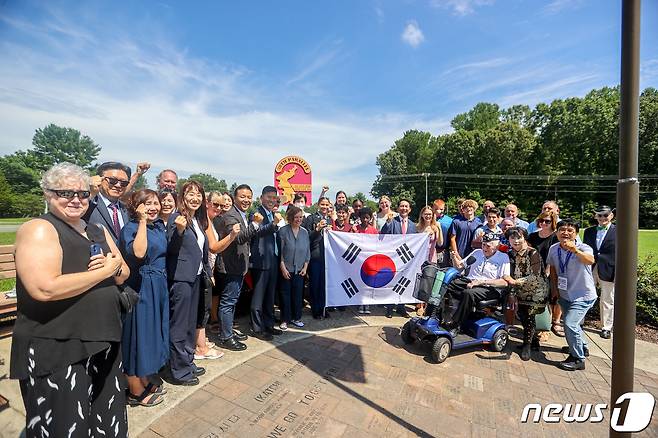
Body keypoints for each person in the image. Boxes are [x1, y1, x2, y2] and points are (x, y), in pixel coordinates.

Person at [11, 162, 130, 437]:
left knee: (105, 421)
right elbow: (44, 289)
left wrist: (111, 267)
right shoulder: (40, 228)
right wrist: (105, 271)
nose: (76, 199)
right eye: (65, 192)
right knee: (64, 426)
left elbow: (124, 272)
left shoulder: (95, 229)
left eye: (83, 193)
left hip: (102, 341)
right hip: (60, 346)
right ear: (48, 194)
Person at [119, 189, 169, 406]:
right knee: (137, 336)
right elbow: (138, 253)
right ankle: (135, 389)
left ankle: (144, 376)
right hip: (142, 286)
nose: (153, 207)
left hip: (158, 285)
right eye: (147, 203)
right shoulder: (130, 228)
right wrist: (140, 221)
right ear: (136, 206)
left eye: (155, 202)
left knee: (150, 336)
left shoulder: (157, 226)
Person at [165, 181, 212, 385]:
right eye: (191, 194)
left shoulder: (197, 221)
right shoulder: (177, 218)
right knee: (179, 326)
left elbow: (202, 252)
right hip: (181, 279)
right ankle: (179, 371)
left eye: (199, 194)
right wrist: (180, 231)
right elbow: (172, 249)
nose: (195, 198)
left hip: (195, 278)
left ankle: (188, 361)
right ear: (182, 197)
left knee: (190, 325)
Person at [214, 184, 264, 350]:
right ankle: (226, 337)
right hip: (230, 266)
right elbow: (238, 238)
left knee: (232, 301)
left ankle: (228, 330)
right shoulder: (230, 216)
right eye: (242, 196)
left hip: (239, 266)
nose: (246, 200)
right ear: (235, 198)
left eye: (249, 197)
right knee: (228, 302)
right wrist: (255, 225)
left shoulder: (242, 214)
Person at [547, 218, 597, 371]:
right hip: (564, 294)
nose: (566, 233)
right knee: (573, 324)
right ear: (557, 232)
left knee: (570, 324)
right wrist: (555, 289)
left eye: (570, 231)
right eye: (562, 230)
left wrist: (574, 250)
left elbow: (590, 260)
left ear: (576, 234)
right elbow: (554, 268)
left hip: (583, 295)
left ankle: (578, 359)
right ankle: (582, 347)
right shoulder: (554, 248)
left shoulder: (584, 247)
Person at [444, 232, 510, 334]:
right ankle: (439, 315)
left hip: (489, 287)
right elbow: (460, 267)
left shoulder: (503, 257)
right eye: (483, 244)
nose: (484, 248)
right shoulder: (477, 252)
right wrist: (454, 258)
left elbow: (504, 282)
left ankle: (456, 324)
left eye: (488, 246)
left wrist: (482, 282)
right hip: (470, 281)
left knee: (468, 293)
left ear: (496, 246)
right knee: (446, 284)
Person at [503, 227, 549, 361]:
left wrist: (515, 281)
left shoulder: (532, 253)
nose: (516, 241)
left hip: (536, 290)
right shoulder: (510, 254)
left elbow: (535, 274)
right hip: (520, 290)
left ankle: (526, 345)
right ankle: (534, 341)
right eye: (512, 238)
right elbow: (509, 273)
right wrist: (512, 288)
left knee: (529, 316)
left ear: (524, 238)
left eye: (519, 237)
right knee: (523, 315)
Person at [249, 186, 284, 340]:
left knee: (270, 295)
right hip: (260, 261)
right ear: (261, 197)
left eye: (274, 198)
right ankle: (257, 328)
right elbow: (258, 231)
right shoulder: (257, 214)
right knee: (258, 297)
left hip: (273, 260)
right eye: (268, 197)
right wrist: (274, 224)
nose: (271, 200)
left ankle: (269, 325)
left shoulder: (272, 214)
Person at [205, 192, 239, 337]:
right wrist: (232, 236)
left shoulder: (214, 219)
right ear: (206, 203)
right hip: (206, 268)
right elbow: (213, 247)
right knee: (209, 303)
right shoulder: (205, 220)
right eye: (216, 204)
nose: (219, 207)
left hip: (212, 266)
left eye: (222, 204)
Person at [583, 205, 616, 339]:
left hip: (609, 268)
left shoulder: (619, 231)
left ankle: (606, 327)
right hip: (590, 267)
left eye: (605, 215)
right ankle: (579, 322)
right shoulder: (588, 231)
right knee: (584, 295)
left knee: (607, 299)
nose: (602, 218)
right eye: (599, 215)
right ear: (595, 216)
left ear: (611, 216)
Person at [527, 211, 562, 337]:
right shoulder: (532, 236)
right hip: (533, 272)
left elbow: (552, 258)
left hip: (550, 272)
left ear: (552, 222)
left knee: (549, 300)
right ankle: (534, 327)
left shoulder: (555, 237)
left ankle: (544, 328)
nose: (543, 223)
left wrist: (546, 273)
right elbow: (527, 254)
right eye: (541, 221)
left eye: (547, 221)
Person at [380, 198, 416, 318]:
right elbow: (382, 234)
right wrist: (388, 222)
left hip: (406, 259)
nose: (404, 208)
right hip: (394, 258)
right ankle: (390, 307)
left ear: (409, 209)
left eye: (406, 206)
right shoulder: (393, 221)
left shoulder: (412, 225)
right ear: (398, 208)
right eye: (402, 206)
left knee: (403, 282)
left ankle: (401, 307)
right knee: (392, 281)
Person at [278, 206, 311, 330]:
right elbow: (279, 252)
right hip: (286, 269)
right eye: (296, 217)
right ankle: (284, 319)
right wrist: (282, 268)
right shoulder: (283, 231)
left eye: (300, 217)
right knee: (285, 295)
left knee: (298, 295)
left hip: (300, 270)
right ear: (290, 218)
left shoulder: (305, 232)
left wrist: (305, 266)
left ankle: (296, 318)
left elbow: (307, 251)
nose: (298, 219)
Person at [84, 161, 131, 244]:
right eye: (112, 181)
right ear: (99, 179)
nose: (118, 185)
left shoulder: (127, 209)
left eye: (123, 183)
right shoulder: (88, 203)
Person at [302, 197, 333, 319]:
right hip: (315, 255)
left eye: (327, 204)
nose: (325, 207)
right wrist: (317, 229)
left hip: (327, 255)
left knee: (325, 284)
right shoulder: (311, 218)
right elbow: (306, 237)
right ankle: (315, 309)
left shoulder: (330, 219)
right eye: (322, 204)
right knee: (315, 283)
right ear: (318, 205)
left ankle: (323, 308)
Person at [415, 205, 443, 316]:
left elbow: (440, 243)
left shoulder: (435, 227)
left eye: (430, 214)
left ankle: (426, 305)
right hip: (420, 257)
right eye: (426, 214)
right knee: (420, 280)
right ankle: (419, 305)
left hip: (432, 257)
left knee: (429, 281)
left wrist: (439, 229)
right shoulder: (417, 227)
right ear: (422, 215)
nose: (428, 216)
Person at [432, 199, 453, 267]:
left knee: (441, 273)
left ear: (444, 209)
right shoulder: (428, 218)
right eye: (436, 209)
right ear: (432, 208)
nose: (439, 211)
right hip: (430, 251)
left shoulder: (450, 221)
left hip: (443, 252)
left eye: (441, 209)